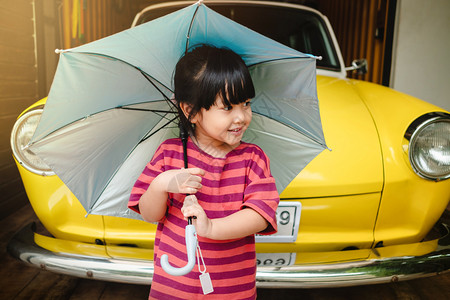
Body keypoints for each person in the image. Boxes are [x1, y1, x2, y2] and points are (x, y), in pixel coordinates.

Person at [128, 45, 279, 299]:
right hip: (174, 286)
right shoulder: (169, 154)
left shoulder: (252, 158)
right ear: (191, 111)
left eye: (246, 103)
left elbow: (260, 216)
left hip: (231, 290)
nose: (241, 116)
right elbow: (150, 214)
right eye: (228, 107)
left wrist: (211, 228)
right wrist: (162, 183)